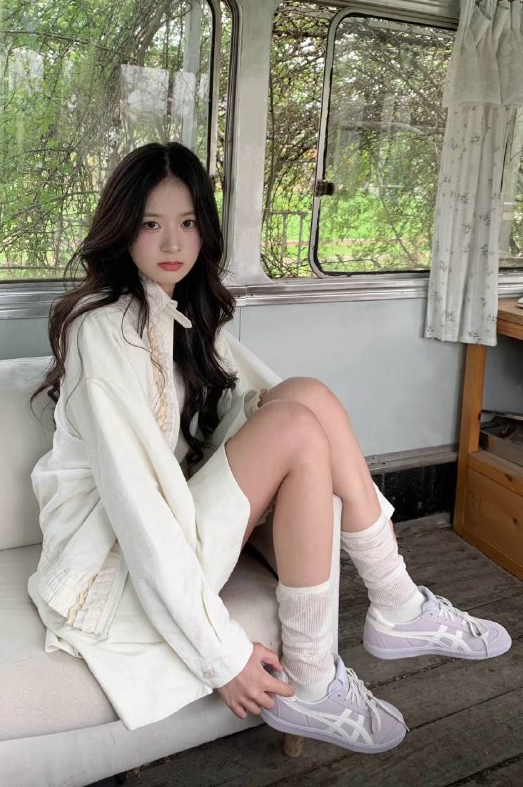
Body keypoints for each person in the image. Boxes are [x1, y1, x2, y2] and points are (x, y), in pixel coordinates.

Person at [29, 141, 511, 755]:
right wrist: (222, 657)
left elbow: (251, 408)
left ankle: (397, 600)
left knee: (306, 396)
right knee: (295, 427)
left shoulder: (177, 313)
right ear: (122, 229)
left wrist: (284, 430)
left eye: (188, 223)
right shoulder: (102, 329)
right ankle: (317, 675)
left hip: (177, 513)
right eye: (151, 224)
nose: (173, 243)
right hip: (113, 564)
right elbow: (137, 511)